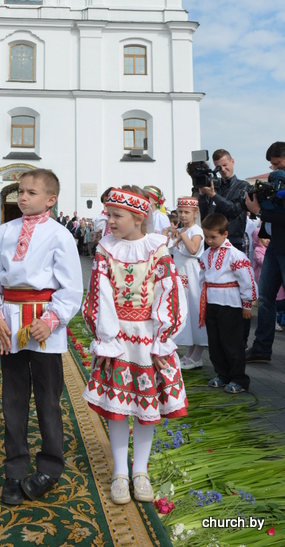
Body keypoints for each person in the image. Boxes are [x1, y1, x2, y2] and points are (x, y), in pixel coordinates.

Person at [0, 169, 82, 506]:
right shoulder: (4, 232)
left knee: (49, 399)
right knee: (13, 397)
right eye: (20, 191)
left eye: (31, 193)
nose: (22, 197)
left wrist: (51, 320)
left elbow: (71, 288)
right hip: (10, 323)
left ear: (51, 200)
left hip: (44, 325)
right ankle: (15, 468)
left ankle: (50, 466)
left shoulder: (60, 236)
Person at [82, 186, 187, 506]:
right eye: (108, 215)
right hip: (117, 339)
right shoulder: (105, 249)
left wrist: (161, 337)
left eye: (117, 215)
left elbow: (169, 292)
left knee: (145, 408)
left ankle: (139, 471)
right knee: (117, 408)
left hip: (147, 339)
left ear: (139, 218)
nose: (110, 221)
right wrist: (107, 337)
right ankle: (120, 471)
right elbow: (98, 294)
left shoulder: (157, 250)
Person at [199, 214, 257, 393]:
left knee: (231, 342)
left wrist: (247, 304)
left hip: (230, 303)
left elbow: (247, 280)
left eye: (213, 237)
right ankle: (222, 374)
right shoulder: (205, 255)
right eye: (206, 236)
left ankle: (239, 378)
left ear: (225, 234)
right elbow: (202, 278)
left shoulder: (235, 255)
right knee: (215, 342)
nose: (209, 240)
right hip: (212, 302)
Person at [245, 142, 285, 362]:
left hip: (280, 248)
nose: (274, 169)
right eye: (272, 165)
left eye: (277, 164)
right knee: (265, 297)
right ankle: (261, 348)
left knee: (267, 298)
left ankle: (262, 347)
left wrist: (260, 211)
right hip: (275, 247)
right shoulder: (278, 183)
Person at [167, 197, 207, 369]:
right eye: (180, 212)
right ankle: (190, 352)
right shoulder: (181, 230)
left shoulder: (196, 230)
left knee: (195, 310)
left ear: (195, 213)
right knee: (185, 312)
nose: (183, 215)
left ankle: (198, 354)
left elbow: (193, 249)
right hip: (180, 271)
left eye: (186, 212)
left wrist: (182, 234)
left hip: (191, 273)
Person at [198, 150, 248, 252]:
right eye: (219, 167)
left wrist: (214, 195)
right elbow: (205, 214)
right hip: (212, 241)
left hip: (233, 240)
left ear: (232, 161)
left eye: (225, 165)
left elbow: (234, 210)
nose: (223, 169)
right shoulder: (214, 186)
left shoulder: (243, 186)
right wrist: (202, 195)